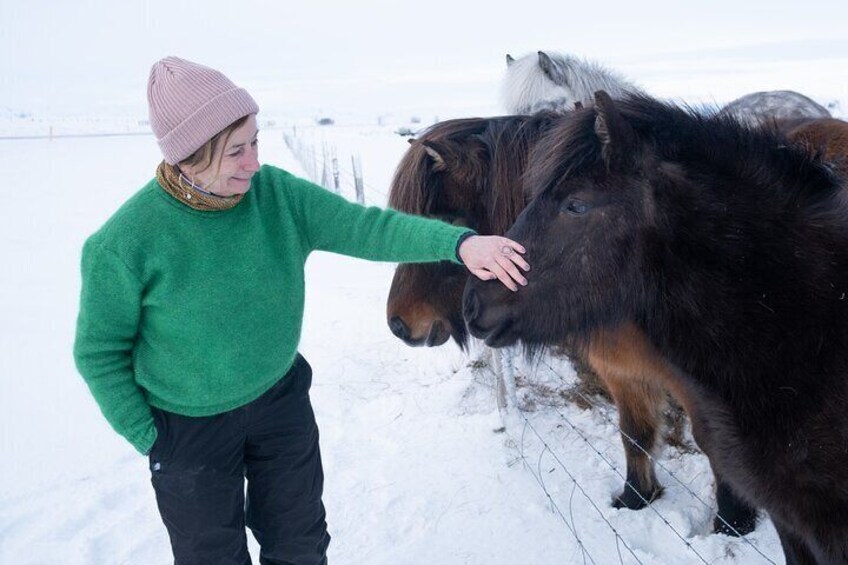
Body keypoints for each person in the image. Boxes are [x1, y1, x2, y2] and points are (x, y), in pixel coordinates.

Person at [73, 56, 529, 565]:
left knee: (301, 546)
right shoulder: (125, 243)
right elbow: (98, 352)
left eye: (255, 142)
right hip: (187, 430)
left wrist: (460, 244)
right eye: (235, 152)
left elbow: (368, 227)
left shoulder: (277, 196)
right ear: (188, 157)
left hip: (279, 406)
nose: (252, 163)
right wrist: (152, 437)